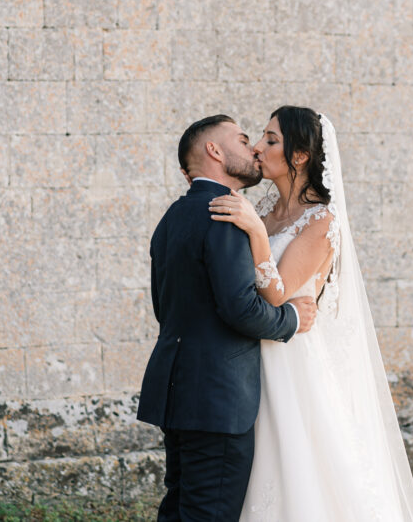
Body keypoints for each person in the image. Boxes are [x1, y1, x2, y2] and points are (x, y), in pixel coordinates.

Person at [208, 106, 413, 521]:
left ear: (301, 156)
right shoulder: (268, 213)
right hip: (252, 355)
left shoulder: (321, 220)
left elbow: (277, 294)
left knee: (299, 466)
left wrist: (254, 231)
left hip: (292, 361)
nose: (257, 147)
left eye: (271, 140)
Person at [136, 114, 319, 522]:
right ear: (214, 152)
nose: (254, 147)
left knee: (180, 506)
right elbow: (241, 309)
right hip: (217, 398)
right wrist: (291, 318)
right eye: (242, 139)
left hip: (178, 391)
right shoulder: (226, 215)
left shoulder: (172, 218)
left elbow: (163, 306)